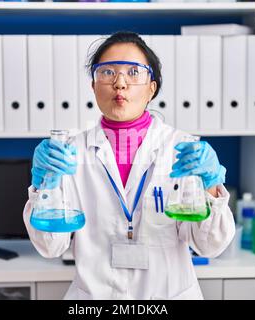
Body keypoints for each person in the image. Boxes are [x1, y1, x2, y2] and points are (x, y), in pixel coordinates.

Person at [23, 31, 235, 300]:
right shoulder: (67, 154)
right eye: (107, 72)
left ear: (152, 88)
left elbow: (210, 245)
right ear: (93, 85)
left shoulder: (183, 151)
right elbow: (50, 246)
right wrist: (44, 185)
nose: (120, 83)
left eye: (134, 73)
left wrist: (212, 186)